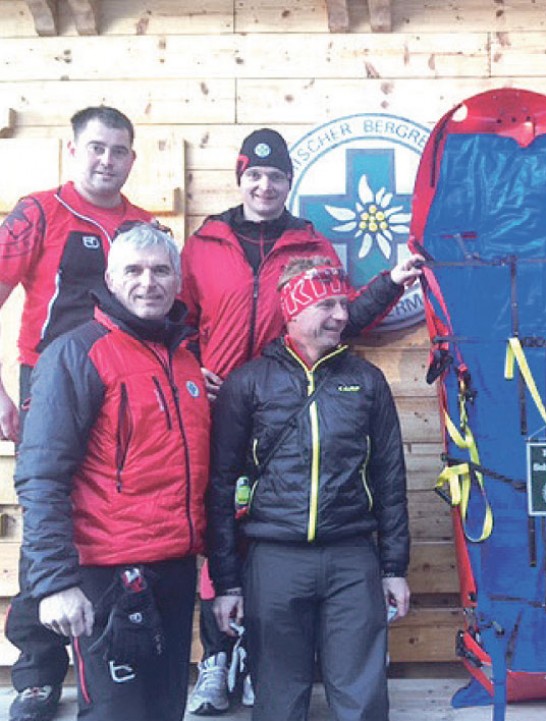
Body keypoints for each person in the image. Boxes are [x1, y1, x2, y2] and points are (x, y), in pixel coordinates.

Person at [180, 127, 421, 715]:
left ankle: (264, 662)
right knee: (222, 523)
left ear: (291, 182)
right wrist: (189, 367)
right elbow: (176, 317)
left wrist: (389, 283)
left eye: (276, 176)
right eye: (254, 175)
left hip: (303, 391)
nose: (264, 185)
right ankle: (220, 657)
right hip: (224, 399)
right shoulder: (203, 243)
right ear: (240, 178)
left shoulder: (312, 244)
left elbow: (337, 312)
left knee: (272, 533)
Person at [13, 223, 209, 721]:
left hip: (173, 568)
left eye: (162, 270)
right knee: (117, 714)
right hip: (106, 575)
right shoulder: (76, 354)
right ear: (111, 279)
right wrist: (54, 582)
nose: (149, 282)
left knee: (165, 709)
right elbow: (41, 474)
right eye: (134, 270)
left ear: (178, 278)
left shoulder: (184, 362)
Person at [206, 256, 410, 721]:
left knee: (362, 700)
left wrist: (394, 567)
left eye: (344, 303)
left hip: (352, 556)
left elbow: (390, 478)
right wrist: (227, 582)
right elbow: (221, 486)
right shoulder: (249, 383)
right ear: (293, 310)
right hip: (273, 559)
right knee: (278, 700)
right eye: (327, 304)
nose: (341, 314)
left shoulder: (366, 381)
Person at [0, 105, 152, 721]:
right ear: (72, 149)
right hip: (51, 382)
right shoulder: (38, 212)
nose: (106, 161)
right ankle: (36, 672)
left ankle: (115, 656)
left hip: (126, 383)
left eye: (118, 151)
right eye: (96, 148)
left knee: (117, 508)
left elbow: (168, 305)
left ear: (132, 159)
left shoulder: (144, 225)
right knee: (47, 514)